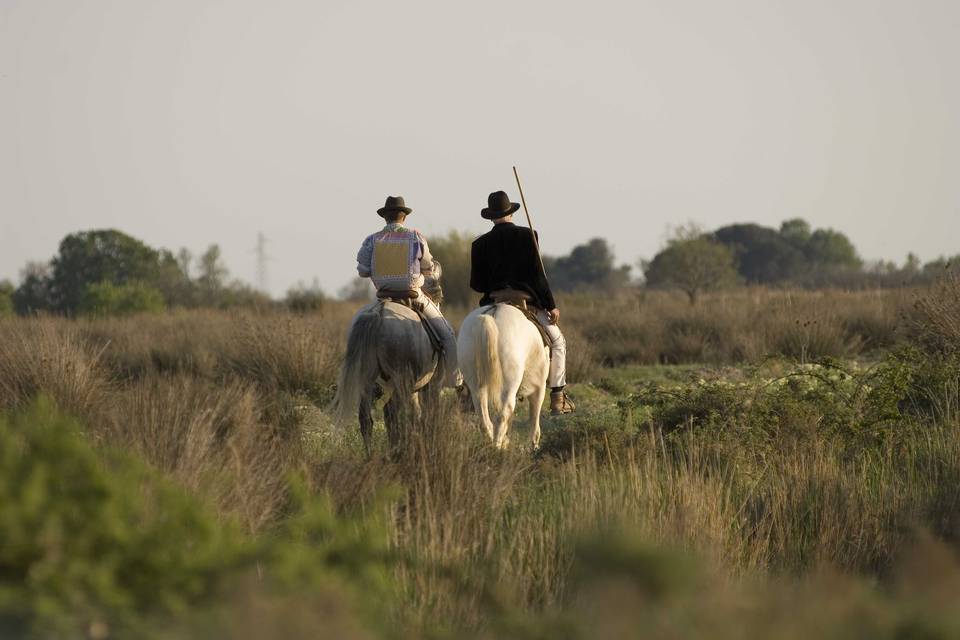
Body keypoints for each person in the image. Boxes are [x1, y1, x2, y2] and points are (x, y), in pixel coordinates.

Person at [469, 190, 575, 415]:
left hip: (493, 301)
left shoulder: (479, 244)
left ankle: (467, 393)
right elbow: (538, 276)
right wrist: (550, 305)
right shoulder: (528, 235)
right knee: (557, 343)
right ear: (510, 212)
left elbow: (476, 284)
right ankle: (557, 397)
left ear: (490, 216)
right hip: (526, 302)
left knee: (471, 342)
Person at [356, 195, 460, 387]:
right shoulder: (415, 236)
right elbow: (428, 268)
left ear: (385, 217)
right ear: (403, 217)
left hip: (383, 297)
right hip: (413, 295)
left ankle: (354, 379)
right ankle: (456, 380)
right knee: (447, 335)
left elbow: (362, 270)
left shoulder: (372, 240)